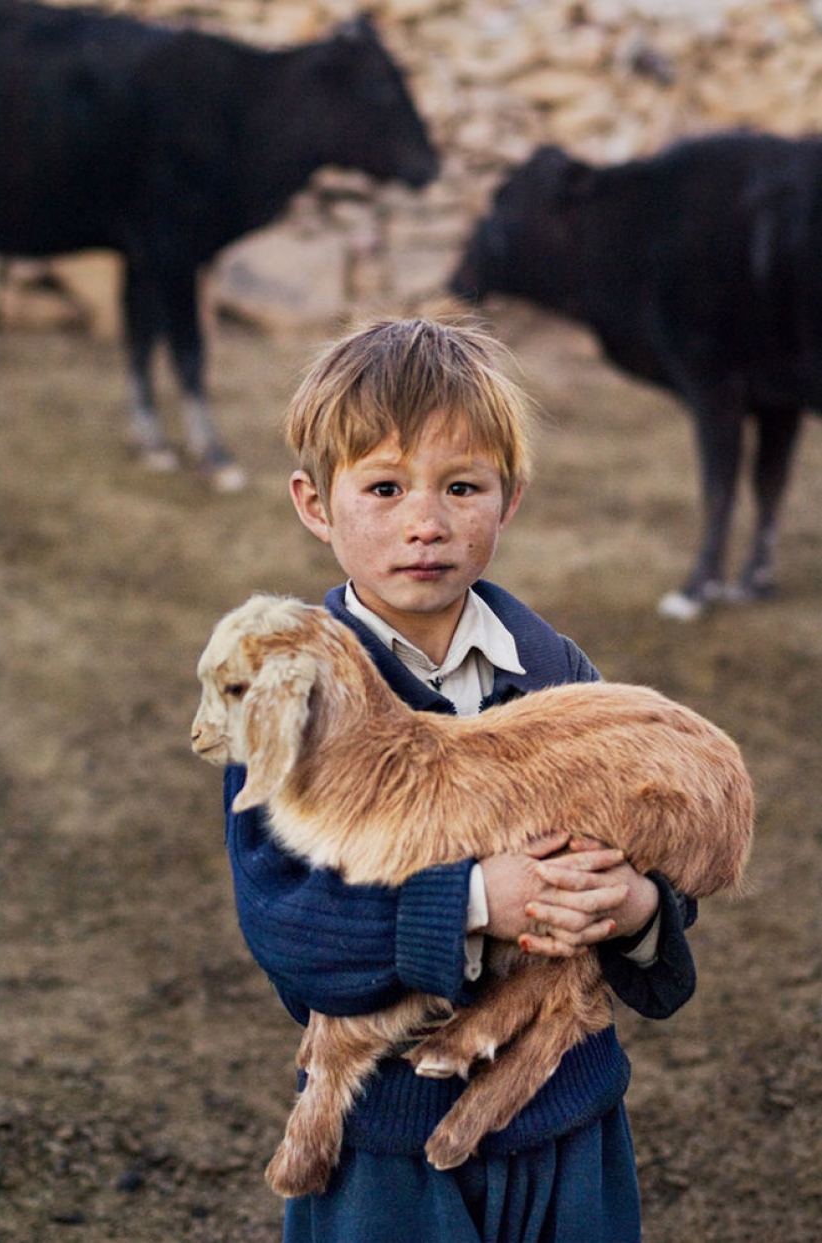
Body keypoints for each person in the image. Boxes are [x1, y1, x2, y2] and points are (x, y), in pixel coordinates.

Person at [223, 317, 697, 1243]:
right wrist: (476, 899)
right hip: (386, 1147)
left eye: (461, 486)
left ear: (508, 498)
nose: (425, 521)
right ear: (315, 504)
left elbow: (652, 861)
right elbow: (289, 927)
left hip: (568, 1120)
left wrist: (639, 906)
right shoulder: (288, 700)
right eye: (386, 486)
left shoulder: (560, 673)